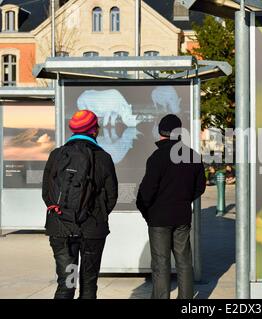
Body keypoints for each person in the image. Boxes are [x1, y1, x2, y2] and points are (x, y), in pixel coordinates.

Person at [42, 110, 118, 299]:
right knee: (89, 283)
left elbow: (47, 193)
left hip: (61, 230)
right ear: (93, 130)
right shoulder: (103, 158)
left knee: (67, 283)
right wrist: (96, 214)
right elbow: (111, 196)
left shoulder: (57, 155)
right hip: (92, 229)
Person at [136, 114, 206, 299]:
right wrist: (184, 200)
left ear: (160, 133)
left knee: (160, 263)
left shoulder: (157, 157)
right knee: (184, 262)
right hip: (182, 216)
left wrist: (147, 212)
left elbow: (146, 191)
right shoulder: (193, 156)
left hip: (159, 219)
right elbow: (200, 188)